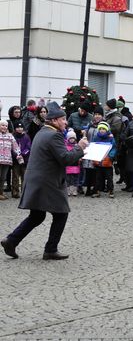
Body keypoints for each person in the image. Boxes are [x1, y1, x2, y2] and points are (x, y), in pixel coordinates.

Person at [1, 102, 88, 260]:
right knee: (61, 214)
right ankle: (50, 250)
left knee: (36, 216)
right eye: (63, 119)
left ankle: (11, 241)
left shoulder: (43, 132)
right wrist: (80, 147)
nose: (66, 122)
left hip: (37, 180)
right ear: (54, 121)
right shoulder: (54, 135)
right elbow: (65, 158)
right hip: (47, 182)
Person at [91, 122, 117, 199]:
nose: (102, 130)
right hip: (98, 161)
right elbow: (93, 147)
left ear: (107, 129)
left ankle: (111, 191)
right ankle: (97, 191)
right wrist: (93, 157)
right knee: (98, 178)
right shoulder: (96, 137)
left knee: (109, 178)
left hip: (107, 161)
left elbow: (114, 148)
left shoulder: (111, 138)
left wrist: (110, 156)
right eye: (100, 129)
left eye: (103, 129)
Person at [82, 107, 104, 197]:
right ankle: (88, 188)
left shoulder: (103, 125)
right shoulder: (90, 124)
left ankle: (96, 188)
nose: (97, 116)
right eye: (96, 114)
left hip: (98, 150)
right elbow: (85, 136)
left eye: (99, 114)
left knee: (96, 171)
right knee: (88, 170)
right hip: (89, 149)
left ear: (102, 116)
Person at [0, 119, 22, 200]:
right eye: (2, 125)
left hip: (7, 160)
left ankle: (1, 193)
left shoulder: (10, 136)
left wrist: (19, 154)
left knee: (3, 177)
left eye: (6, 126)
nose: (4, 127)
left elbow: (15, 146)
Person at [11, 121, 31, 199]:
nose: (19, 129)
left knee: (25, 176)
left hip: (25, 160)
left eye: (21, 127)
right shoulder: (12, 137)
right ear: (15, 129)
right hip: (15, 160)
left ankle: (24, 192)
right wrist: (16, 155)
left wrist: (22, 154)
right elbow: (11, 148)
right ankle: (15, 192)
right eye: (18, 127)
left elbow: (29, 147)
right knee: (15, 176)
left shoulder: (26, 136)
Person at [64, 129, 80, 197]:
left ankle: (74, 190)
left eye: (73, 138)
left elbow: (79, 154)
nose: (72, 140)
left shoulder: (77, 146)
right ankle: (68, 190)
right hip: (68, 166)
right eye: (70, 138)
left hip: (75, 165)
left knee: (75, 179)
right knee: (68, 179)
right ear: (68, 139)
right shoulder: (65, 146)